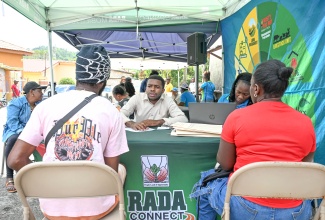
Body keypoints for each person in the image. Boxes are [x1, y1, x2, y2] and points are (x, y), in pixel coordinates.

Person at [8, 45, 129, 219]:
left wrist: (48, 185)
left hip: (53, 209)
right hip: (96, 210)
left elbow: (15, 159)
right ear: (103, 81)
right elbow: (110, 171)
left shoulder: (45, 107)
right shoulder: (111, 111)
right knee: (121, 169)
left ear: (77, 76)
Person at [190, 59, 316, 220]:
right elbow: (305, 166)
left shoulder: (236, 117)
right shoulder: (306, 122)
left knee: (205, 182)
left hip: (246, 208)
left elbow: (226, 164)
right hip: (295, 212)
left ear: (255, 89)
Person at [3, 81, 46, 193]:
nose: (42, 93)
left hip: (34, 133)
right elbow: (12, 122)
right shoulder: (16, 103)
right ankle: (9, 177)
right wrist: (25, 133)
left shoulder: (40, 106)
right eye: (40, 91)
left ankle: (40, 174)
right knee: (14, 139)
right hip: (15, 131)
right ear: (31, 92)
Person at [120, 75, 188, 130]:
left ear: (163, 90)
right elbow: (119, 114)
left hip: (160, 138)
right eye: (149, 86)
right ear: (146, 88)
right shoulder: (137, 98)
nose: (152, 89)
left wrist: (159, 122)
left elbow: (183, 119)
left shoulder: (168, 100)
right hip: (139, 134)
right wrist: (131, 123)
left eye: (157, 87)